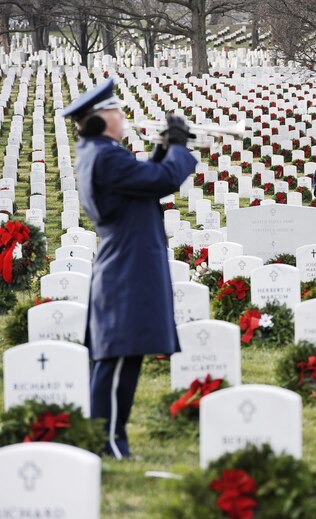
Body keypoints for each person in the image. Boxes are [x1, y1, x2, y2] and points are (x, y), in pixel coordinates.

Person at [64, 78, 197, 459]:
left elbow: (144, 184)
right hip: (127, 265)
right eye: (118, 111)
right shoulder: (105, 155)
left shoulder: (100, 152)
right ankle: (106, 443)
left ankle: (112, 440)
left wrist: (162, 148)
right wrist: (178, 148)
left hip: (126, 261)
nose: (123, 118)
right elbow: (163, 180)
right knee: (118, 359)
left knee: (124, 356)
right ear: (103, 118)